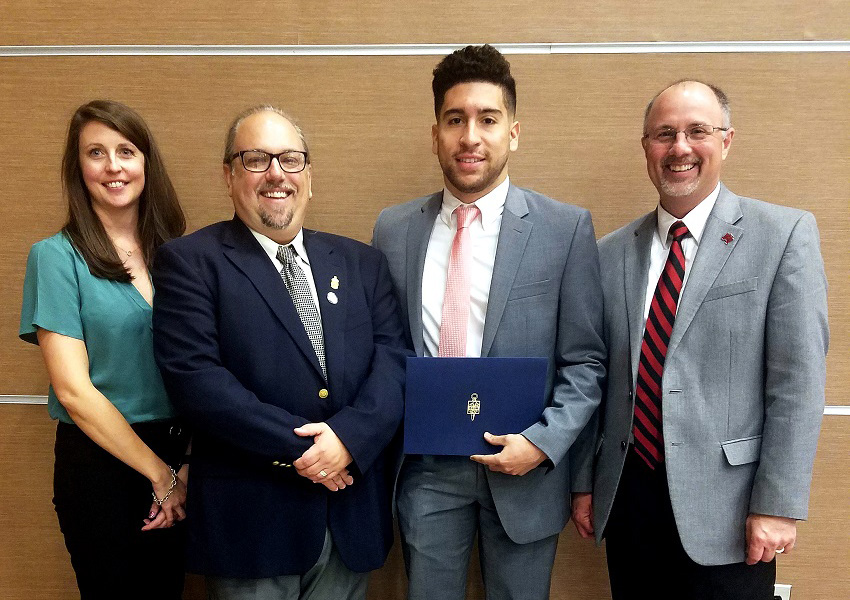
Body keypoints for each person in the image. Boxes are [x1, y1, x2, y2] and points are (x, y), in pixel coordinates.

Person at [570, 80, 829, 599]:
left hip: (731, 510)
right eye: (664, 134)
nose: (680, 148)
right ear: (646, 147)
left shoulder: (782, 236)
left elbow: (797, 383)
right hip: (628, 499)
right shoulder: (608, 252)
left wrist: (777, 504)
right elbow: (592, 374)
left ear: (726, 140)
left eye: (697, 131)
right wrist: (583, 481)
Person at [372, 45, 606, 600]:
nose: (470, 137)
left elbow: (587, 361)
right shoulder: (393, 229)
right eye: (455, 120)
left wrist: (544, 445)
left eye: (488, 120)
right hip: (426, 468)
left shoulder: (564, 228)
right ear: (436, 135)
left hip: (526, 468)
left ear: (514, 133)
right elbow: (383, 351)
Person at [151, 105, 407, 600]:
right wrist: (312, 452)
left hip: (349, 518)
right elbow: (197, 381)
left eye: (290, 160)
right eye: (255, 159)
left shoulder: (362, 263)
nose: (276, 174)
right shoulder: (190, 262)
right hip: (252, 527)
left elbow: (393, 362)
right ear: (228, 176)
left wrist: (349, 440)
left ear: (309, 176)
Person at [19, 100, 189, 599]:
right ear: (79, 169)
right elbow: (73, 391)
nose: (113, 166)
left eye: (126, 151)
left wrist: (184, 469)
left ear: (146, 164)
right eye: (96, 153)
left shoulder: (178, 254)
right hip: (102, 467)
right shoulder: (55, 257)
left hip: (181, 460)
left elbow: (203, 371)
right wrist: (160, 476)